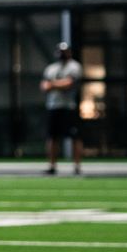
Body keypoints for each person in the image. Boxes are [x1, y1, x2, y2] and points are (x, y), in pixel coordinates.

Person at [41, 42, 84, 176]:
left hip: (68, 107)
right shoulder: (51, 69)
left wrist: (53, 84)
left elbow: (69, 84)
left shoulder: (74, 66)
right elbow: (44, 86)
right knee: (52, 137)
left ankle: (77, 166)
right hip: (54, 106)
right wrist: (58, 84)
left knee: (74, 137)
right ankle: (52, 165)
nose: (62, 54)